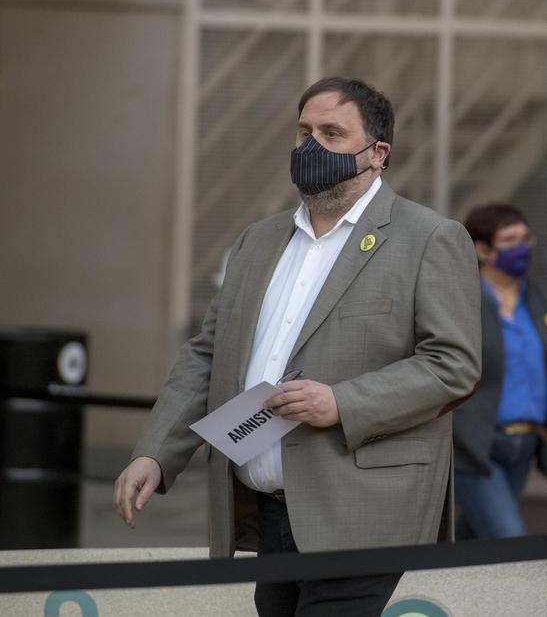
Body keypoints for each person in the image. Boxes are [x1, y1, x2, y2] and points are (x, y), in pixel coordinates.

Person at [112, 77, 482, 616]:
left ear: (377, 153)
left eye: (332, 133)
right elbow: (208, 353)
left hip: (362, 512)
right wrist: (156, 451)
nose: (311, 147)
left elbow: (454, 365)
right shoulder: (256, 240)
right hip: (269, 511)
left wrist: (342, 403)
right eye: (304, 131)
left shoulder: (429, 238)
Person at [452, 203, 547, 539]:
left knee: (475, 534)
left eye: (526, 238)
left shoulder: (544, 300)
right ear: (482, 249)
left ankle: (444, 589)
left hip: (527, 442)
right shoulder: (460, 299)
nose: (521, 248)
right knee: (509, 538)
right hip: (475, 446)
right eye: (510, 240)